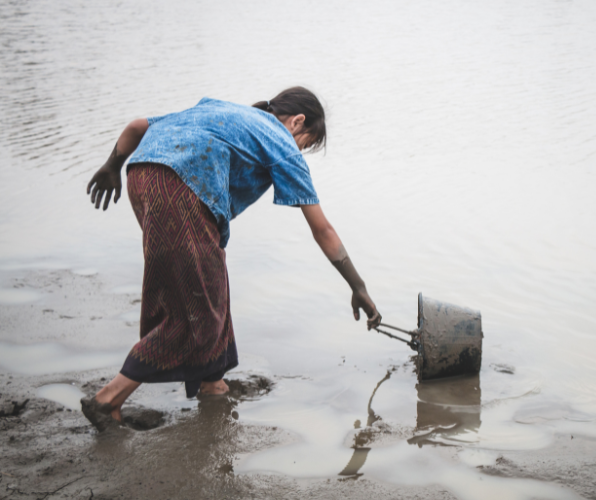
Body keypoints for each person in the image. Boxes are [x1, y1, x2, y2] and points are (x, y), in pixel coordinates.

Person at [81, 87, 381, 431]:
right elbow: (322, 229)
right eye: (306, 143)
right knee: (194, 311)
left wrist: (111, 166)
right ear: (297, 122)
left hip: (142, 178)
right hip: (183, 190)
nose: (301, 151)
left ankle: (213, 385)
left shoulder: (221, 110)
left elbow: (137, 127)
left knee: (207, 289)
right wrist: (357, 285)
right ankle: (108, 399)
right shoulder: (280, 140)